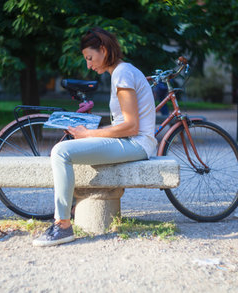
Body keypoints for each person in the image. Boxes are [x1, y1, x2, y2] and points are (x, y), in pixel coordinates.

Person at [32, 28, 157, 247]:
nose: (88, 65)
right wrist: (87, 131)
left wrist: (88, 134)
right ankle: (69, 211)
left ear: (103, 49)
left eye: (90, 58)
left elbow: (130, 126)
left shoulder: (122, 73)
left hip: (137, 144)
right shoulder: (121, 71)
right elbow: (124, 124)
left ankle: (62, 226)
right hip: (133, 142)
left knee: (61, 152)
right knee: (69, 145)